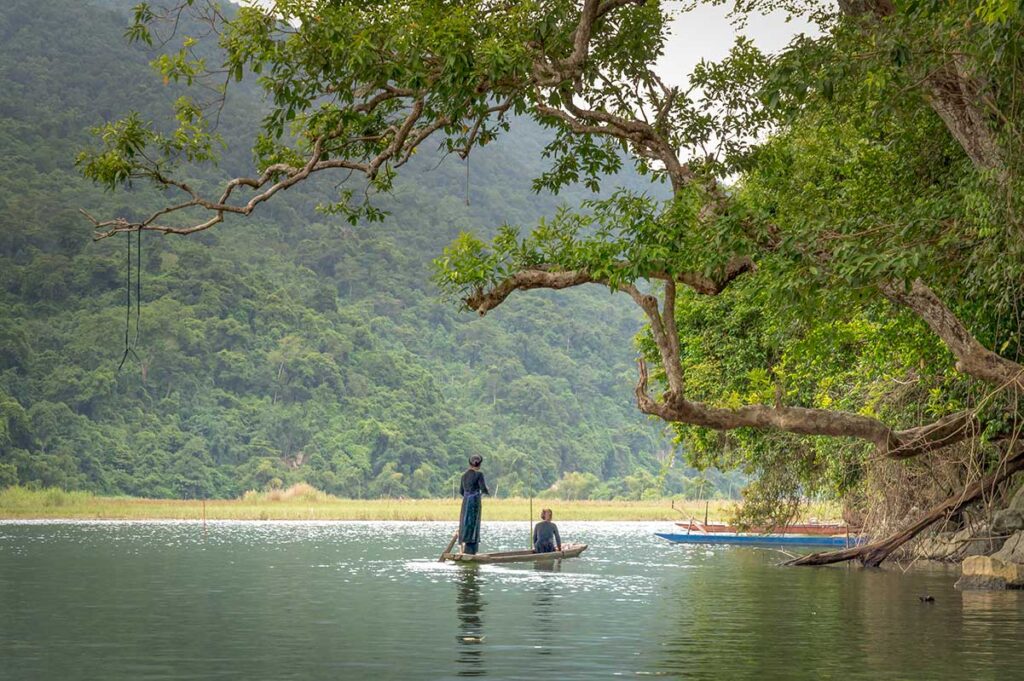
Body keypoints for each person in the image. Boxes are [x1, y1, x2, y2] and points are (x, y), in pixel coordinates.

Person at [458, 455, 489, 554]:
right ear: (479, 464)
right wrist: (486, 492)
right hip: (475, 500)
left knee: (465, 521)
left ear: (469, 463)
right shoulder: (479, 474)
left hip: (466, 500)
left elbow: (461, 491)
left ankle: (464, 542)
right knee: (474, 522)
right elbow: (483, 488)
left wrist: (468, 495)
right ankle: (471, 546)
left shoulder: (464, 476)